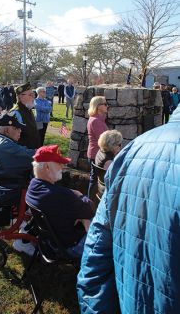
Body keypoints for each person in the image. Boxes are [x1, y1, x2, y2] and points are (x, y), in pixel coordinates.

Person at [77, 105, 180, 314]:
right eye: (103, 105)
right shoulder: (125, 153)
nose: (107, 107)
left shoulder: (134, 149)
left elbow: (96, 256)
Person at [26, 145, 95, 258]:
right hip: (70, 247)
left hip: (50, 241)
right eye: (59, 163)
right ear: (47, 167)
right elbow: (90, 208)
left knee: (85, 216)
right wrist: (79, 194)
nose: (63, 167)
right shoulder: (60, 195)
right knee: (100, 224)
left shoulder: (33, 185)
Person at [0, 111, 35, 255]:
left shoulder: (1, 140)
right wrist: (47, 152)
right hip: (13, 191)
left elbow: (22, 152)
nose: (20, 131)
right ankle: (22, 241)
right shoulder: (4, 145)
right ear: (8, 129)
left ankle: (24, 227)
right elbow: (29, 155)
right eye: (17, 128)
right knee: (45, 203)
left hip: (6, 187)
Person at [11, 82, 41, 149]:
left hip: (31, 151)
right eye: (30, 94)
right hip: (23, 154)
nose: (34, 96)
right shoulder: (16, 113)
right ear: (21, 96)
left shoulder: (28, 108)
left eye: (33, 94)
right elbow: (13, 139)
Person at [87, 96, 108, 162]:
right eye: (105, 104)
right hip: (96, 155)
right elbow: (103, 140)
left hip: (98, 155)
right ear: (98, 106)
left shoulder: (98, 119)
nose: (107, 106)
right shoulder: (95, 121)